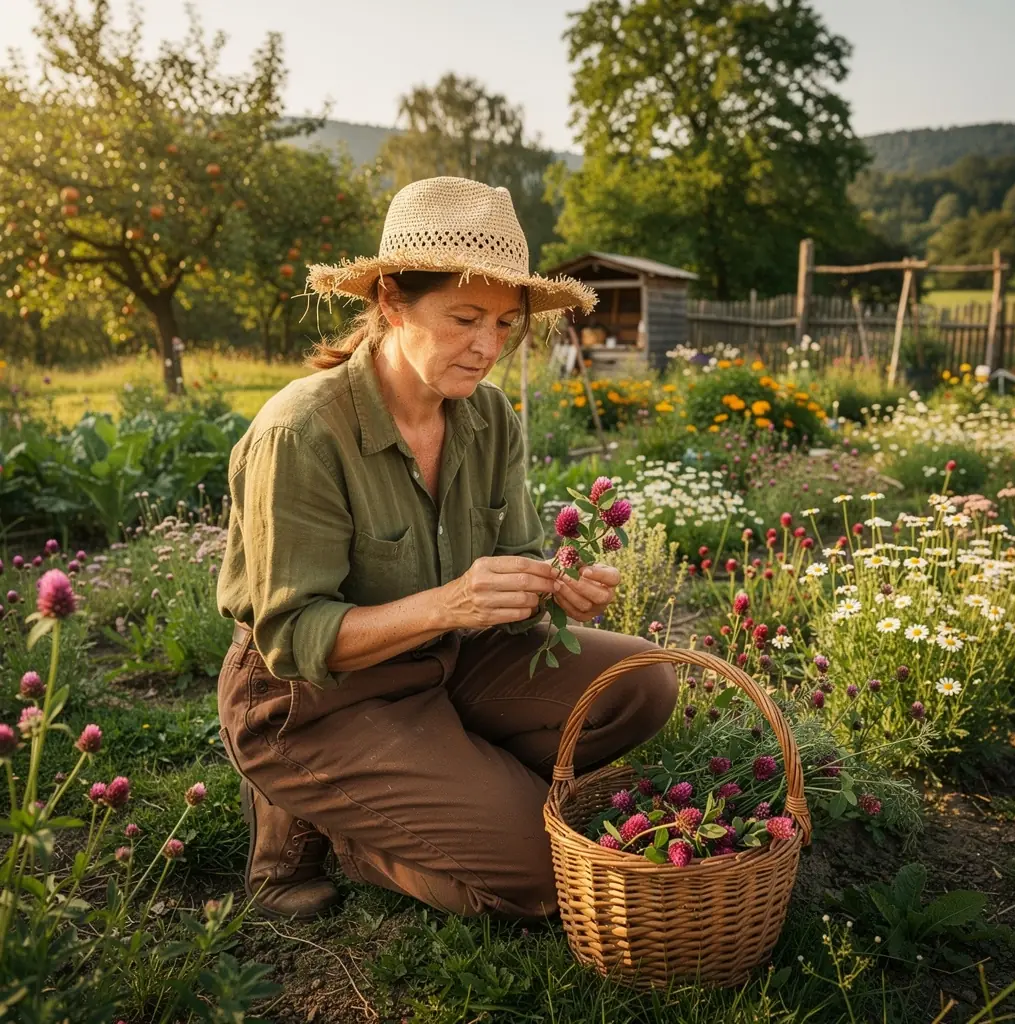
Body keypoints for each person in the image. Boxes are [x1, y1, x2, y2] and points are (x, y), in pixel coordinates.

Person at [216, 176, 679, 921]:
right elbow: (292, 639)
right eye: (465, 318)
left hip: (445, 664)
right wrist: (453, 602)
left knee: (641, 684)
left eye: (505, 324)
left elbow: (518, 555)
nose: (488, 347)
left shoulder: (488, 417)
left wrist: (557, 583)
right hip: (312, 700)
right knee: (545, 873)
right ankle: (349, 835)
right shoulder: (301, 433)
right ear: (393, 301)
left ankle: (439, 786)